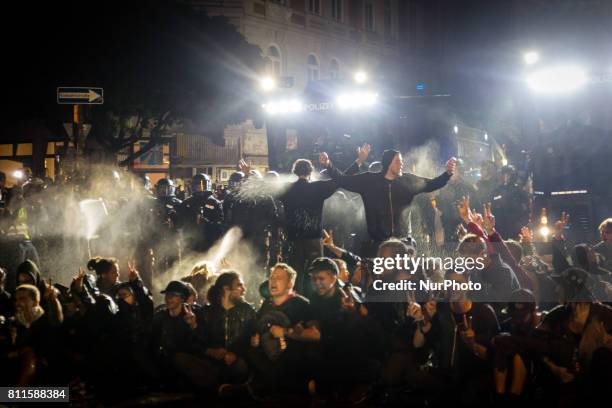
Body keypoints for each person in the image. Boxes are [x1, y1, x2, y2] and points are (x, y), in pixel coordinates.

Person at [320, 148, 456, 256]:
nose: (402, 163)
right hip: (378, 246)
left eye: (401, 161)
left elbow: (432, 184)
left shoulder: (408, 181)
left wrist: (447, 173)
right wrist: (328, 165)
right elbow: (343, 180)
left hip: (404, 243)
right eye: (398, 161)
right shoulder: (369, 181)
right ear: (388, 163)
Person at [248, 263, 319, 395]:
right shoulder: (266, 305)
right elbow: (260, 328)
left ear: (290, 284)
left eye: (279, 278)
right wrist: (255, 339)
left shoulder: (301, 304)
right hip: (268, 362)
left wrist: (286, 332)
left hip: (291, 366)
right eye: (272, 277)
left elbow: (315, 335)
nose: (273, 281)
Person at [277, 159, 337, 295]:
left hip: (294, 240)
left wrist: (247, 175)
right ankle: (315, 302)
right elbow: (339, 180)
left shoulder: (287, 189)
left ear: (294, 171)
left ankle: (297, 303)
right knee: (317, 274)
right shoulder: (318, 188)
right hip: (314, 240)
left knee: (295, 275)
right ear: (310, 172)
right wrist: (357, 163)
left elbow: (265, 188)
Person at [201, 271, 256, 388]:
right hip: (212, 361)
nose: (244, 289)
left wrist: (236, 354)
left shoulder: (248, 311)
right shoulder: (207, 312)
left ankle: (229, 388)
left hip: (237, 361)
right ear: (226, 289)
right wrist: (210, 351)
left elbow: (251, 340)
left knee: (240, 367)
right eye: (239, 285)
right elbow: (197, 340)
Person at [178, 173, 224, 253]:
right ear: (193, 187)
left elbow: (220, 225)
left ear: (208, 185)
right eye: (197, 186)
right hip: (191, 242)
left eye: (203, 185)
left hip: (210, 242)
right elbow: (181, 223)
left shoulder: (215, 203)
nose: (200, 188)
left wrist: (207, 222)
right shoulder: (186, 203)